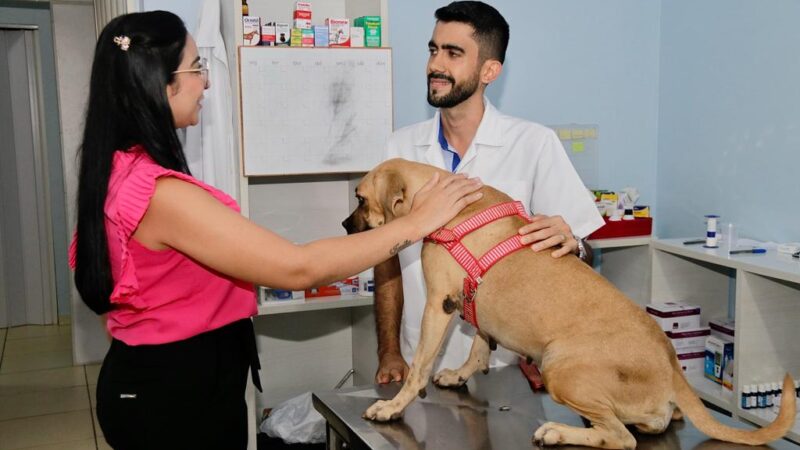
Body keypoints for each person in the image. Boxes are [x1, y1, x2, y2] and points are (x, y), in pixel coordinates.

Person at [70, 11, 482, 450]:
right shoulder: (160, 193)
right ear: (162, 83)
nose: (205, 82)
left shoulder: (121, 169)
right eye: (196, 68)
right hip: (173, 393)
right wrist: (418, 222)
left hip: (165, 377)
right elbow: (298, 268)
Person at [374, 1, 605, 384]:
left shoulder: (533, 143)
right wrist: (388, 351)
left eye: (453, 53)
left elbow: (584, 252)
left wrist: (574, 245)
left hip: (507, 368)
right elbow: (386, 260)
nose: (435, 65)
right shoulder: (400, 149)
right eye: (433, 50)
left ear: (489, 71)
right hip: (418, 361)